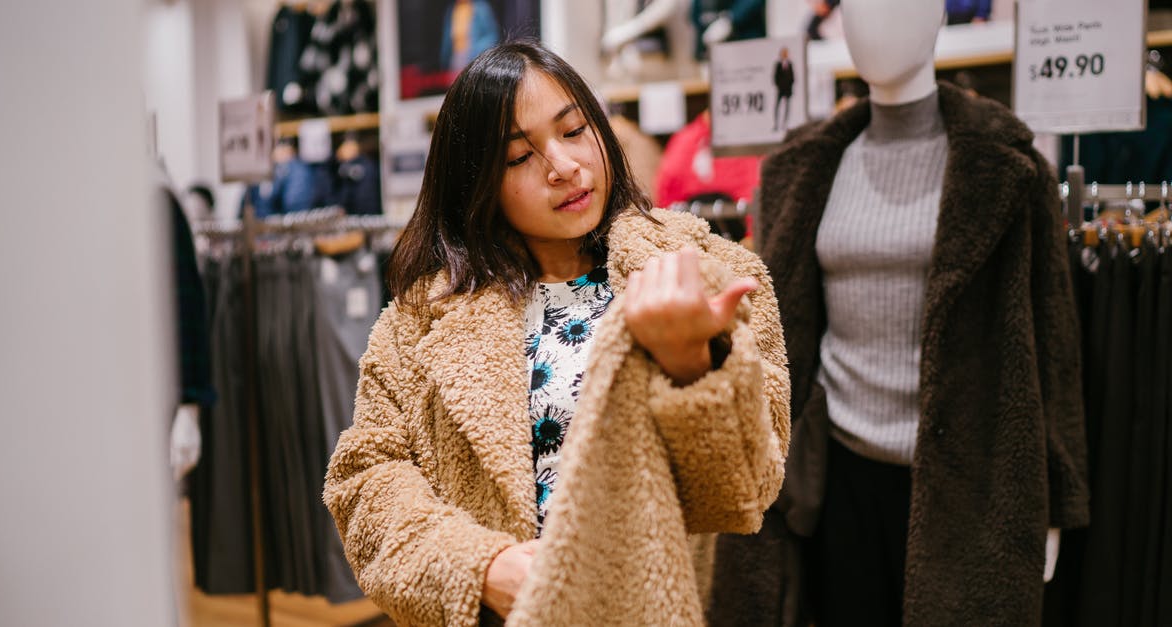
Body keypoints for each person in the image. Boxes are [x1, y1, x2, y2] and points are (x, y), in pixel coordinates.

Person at [324, 39, 791, 626]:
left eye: (573, 131)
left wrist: (688, 363)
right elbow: (366, 478)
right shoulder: (422, 318)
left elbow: (745, 489)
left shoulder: (699, 268)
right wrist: (480, 566)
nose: (563, 166)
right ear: (478, 184)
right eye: (519, 158)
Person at [709, 0, 1089, 625]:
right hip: (836, 477)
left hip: (968, 475)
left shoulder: (1008, 165)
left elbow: (1053, 341)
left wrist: (1056, 500)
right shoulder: (800, 169)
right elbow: (781, 333)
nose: (875, 21)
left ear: (938, 14)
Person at [773, 46, 795, 131]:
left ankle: (784, 124)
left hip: (788, 89)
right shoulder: (778, 65)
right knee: (777, 106)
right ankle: (776, 124)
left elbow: (792, 77)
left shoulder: (790, 64)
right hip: (780, 89)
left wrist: (789, 86)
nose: (785, 55)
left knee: (787, 107)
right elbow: (775, 77)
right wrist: (779, 86)